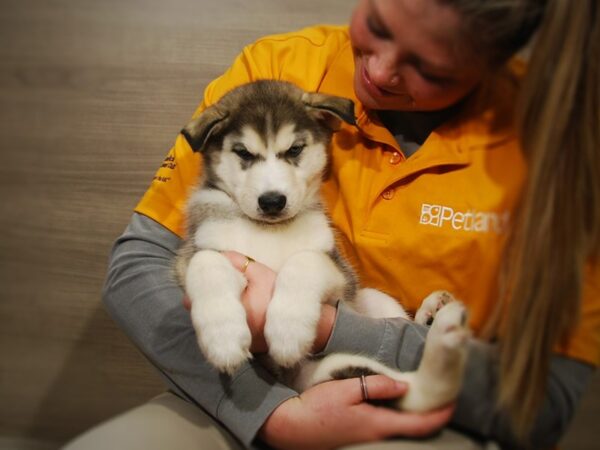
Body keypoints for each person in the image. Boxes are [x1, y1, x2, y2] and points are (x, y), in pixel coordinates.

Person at [69, 0, 599, 449]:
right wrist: (271, 414)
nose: (380, 72)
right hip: (235, 395)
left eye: (431, 69)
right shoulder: (278, 70)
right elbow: (137, 271)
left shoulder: (556, 142)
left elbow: (544, 404)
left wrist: (330, 328)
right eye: (378, 24)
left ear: (493, 64)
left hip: (426, 415)